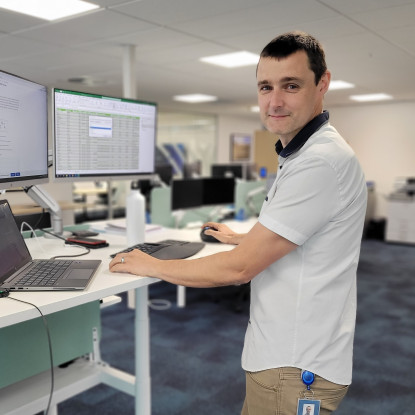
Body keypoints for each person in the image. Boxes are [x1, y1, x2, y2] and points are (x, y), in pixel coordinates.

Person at [109, 31, 367, 415]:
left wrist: (152, 265)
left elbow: (240, 269)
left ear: (322, 84)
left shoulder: (318, 162)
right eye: (266, 87)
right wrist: (243, 238)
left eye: (291, 85)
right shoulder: (308, 153)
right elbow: (304, 234)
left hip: (293, 365)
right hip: (298, 354)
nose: (274, 101)